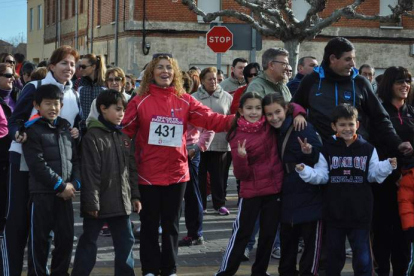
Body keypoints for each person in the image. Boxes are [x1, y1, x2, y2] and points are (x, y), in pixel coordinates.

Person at [122, 53, 233, 276]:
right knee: (150, 226)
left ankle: (169, 269)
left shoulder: (185, 100)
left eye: (169, 68)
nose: (165, 72)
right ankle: (150, 270)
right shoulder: (140, 100)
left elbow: (211, 119)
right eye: (160, 67)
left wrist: (239, 119)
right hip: (148, 174)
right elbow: (124, 132)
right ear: (151, 72)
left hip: (177, 174)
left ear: (175, 73)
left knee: (172, 226)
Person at [2, 45, 81, 276]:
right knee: (17, 223)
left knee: (50, 231)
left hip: (55, 170)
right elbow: (16, 118)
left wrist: (77, 131)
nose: (69, 68)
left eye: (73, 64)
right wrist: (18, 132)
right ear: (52, 66)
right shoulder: (34, 87)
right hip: (25, 162)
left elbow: (73, 126)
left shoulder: (73, 94)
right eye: (64, 63)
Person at [296, 104, 397, 276]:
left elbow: (373, 174)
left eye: (351, 124)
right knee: (334, 259)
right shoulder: (326, 149)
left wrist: (387, 166)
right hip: (334, 213)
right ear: (334, 126)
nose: (347, 128)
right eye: (342, 125)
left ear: (357, 124)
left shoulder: (368, 148)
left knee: (362, 259)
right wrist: (304, 170)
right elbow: (322, 175)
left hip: (361, 213)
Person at [292, 37, 412, 155]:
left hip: (356, 154)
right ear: (333, 58)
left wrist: (397, 143)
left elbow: (380, 118)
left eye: (353, 59)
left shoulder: (361, 82)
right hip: (322, 153)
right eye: (348, 59)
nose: (353, 64)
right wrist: (299, 113)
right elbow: (294, 105)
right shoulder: (311, 80)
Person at [72, 90, 141, 276]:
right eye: (117, 109)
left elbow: (131, 170)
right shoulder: (92, 137)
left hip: (121, 203)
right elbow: (90, 173)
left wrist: (135, 195)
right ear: (102, 109)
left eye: (123, 110)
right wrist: (91, 203)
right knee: (88, 243)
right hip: (98, 204)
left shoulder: (122, 137)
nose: (121, 114)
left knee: (126, 242)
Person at [215, 92, 283, 276]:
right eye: (249, 108)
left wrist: (299, 113)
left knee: (268, 235)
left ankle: (259, 272)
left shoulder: (269, 125)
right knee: (241, 235)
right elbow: (240, 174)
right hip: (251, 193)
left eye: (258, 108)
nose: (254, 112)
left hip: (274, 190)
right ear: (240, 111)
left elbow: (290, 108)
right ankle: (225, 272)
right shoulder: (237, 134)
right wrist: (241, 158)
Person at [263, 92, 323, 276]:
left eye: (277, 112)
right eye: (270, 114)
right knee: (288, 240)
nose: (274, 118)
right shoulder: (272, 129)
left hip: (307, 192)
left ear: (286, 109)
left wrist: (309, 152)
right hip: (285, 192)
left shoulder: (302, 127)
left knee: (310, 242)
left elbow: (319, 157)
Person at [23, 84, 80, 276]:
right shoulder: (32, 130)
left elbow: (76, 160)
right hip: (41, 195)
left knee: (65, 241)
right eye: (47, 103)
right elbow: (37, 164)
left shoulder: (66, 128)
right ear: (36, 105)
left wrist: (74, 184)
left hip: (64, 196)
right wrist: (60, 185)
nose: (52, 108)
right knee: (39, 243)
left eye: (56, 103)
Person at [372, 66, 413, 276]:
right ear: (389, 85)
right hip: (385, 183)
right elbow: (376, 148)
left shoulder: (412, 112)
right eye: (399, 81)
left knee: (404, 236)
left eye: (407, 81)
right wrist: (394, 174)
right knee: (382, 235)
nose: (405, 85)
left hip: (410, 185)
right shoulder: (379, 113)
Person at [178, 72, 215, 246]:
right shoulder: (165, 104)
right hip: (168, 154)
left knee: (192, 195)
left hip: (189, 154)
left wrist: (196, 148)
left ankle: (195, 234)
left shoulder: (192, 104)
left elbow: (210, 128)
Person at [192, 67, 233, 216]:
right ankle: (201, 204)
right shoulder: (194, 97)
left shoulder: (227, 97)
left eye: (215, 78)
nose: (213, 81)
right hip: (199, 144)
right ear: (202, 80)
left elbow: (231, 119)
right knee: (200, 176)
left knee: (219, 176)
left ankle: (219, 204)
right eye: (209, 78)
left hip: (220, 143)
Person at [0, 63, 14, 236]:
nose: (12, 79)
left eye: (13, 76)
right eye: (8, 76)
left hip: (14, 155)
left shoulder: (17, 96)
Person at [77, 54, 107, 133]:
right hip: (83, 129)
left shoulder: (105, 85)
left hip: (101, 129)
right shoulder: (79, 83)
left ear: (93, 67)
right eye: (80, 66)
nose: (80, 69)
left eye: (83, 66)